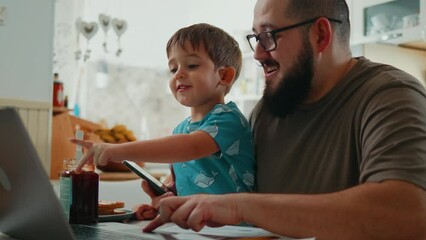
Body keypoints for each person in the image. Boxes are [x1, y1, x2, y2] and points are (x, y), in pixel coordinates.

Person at [142, 0, 426, 239]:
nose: (257, 54)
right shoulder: (267, 111)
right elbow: (233, 191)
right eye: (255, 38)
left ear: (320, 35)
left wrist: (240, 207)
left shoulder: (389, 96)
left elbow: (408, 211)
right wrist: (184, 198)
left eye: (268, 36)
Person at [71, 23, 256, 217]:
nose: (179, 74)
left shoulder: (228, 119)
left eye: (192, 65)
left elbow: (189, 148)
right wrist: (159, 204)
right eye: (173, 68)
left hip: (237, 230)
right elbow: (179, 184)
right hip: (197, 229)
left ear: (224, 76)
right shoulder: (180, 130)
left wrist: (116, 150)